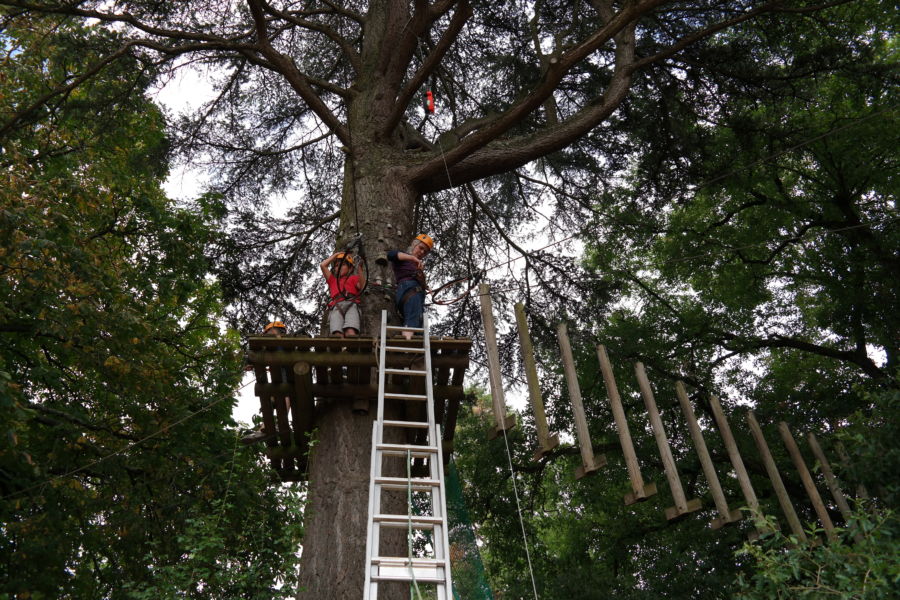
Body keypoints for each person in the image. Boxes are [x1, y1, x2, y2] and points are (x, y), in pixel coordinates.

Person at [241, 320, 287, 445]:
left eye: (269, 331)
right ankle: (263, 428)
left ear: (277, 330)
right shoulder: (269, 346)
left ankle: (277, 423)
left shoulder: (285, 341)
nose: (267, 333)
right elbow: (258, 354)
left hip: (290, 372)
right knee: (273, 399)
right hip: (280, 374)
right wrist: (250, 363)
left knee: (285, 395)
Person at [387, 234, 433, 340]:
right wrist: (412, 258)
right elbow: (391, 255)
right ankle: (407, 343)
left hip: (416, 294)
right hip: (409, 291)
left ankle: (414, 353)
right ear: (414, 245)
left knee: (417, 322)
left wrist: (426, 287)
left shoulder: (417, 266)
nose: (422, 252)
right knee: (412, 320)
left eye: (425, 252)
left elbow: (418, 280)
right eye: (420, 248)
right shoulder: (404, 257)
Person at [320, 251, 365, 337]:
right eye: (337, 266)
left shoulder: (354, 278)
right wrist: (336, 255)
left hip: (351, 305)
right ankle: (340, 349)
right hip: (336, 306)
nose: (339, 267)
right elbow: (323, 265)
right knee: (337, 334)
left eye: (343, 265)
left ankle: (351, 349)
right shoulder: (333, 280)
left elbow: (362, 287)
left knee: (350, 332)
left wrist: (359, 269)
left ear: (350, 268)